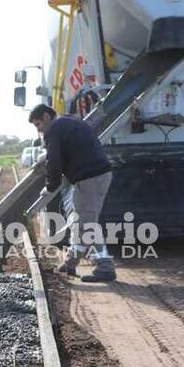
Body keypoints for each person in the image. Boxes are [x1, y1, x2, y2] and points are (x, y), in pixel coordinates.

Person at [28, 103, 116, 282]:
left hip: (89, 179)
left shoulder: (53, 129)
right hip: (101, 175)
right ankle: (70, 264)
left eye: (38, 124)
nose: (39, 129)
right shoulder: (71, 122)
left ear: (46, 117)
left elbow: (54, 163)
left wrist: (50, 186)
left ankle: (105, 267)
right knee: (83, 221)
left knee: (86, 224)